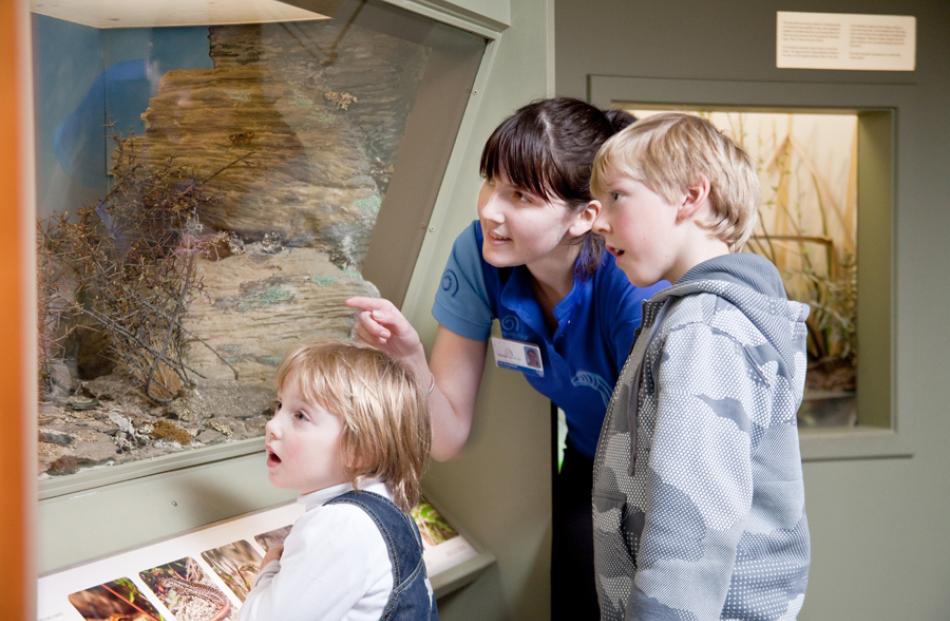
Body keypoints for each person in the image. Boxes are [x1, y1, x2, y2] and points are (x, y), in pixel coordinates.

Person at [347, 97, 667, 619]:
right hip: (588, 462)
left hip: (665, 472)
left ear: (585, 216)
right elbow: (446, 438)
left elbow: (670, 449)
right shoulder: (479, 255)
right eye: (490, 182)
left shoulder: (629, 283)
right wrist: (409, 357)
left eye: (519, 195)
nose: (490, 209)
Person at [588, 111, 811, 619]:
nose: (600, 221)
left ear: (690, 197)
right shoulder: (700, 316)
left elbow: (689, 524)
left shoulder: (704, 328)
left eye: (618, 196)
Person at [239, 342, 438, 621]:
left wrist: (269, 569)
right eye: (279, 406)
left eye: (300, 415)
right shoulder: (384, 502)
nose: (272, 425)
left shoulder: (341, 527)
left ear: (360, 448)